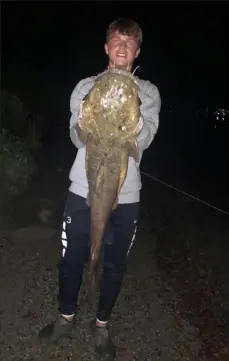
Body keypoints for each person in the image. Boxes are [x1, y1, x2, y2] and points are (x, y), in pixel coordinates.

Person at [39, 18, 161, 360]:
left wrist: (134, 122)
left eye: (130, 42)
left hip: (126, 195)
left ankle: (101, 325)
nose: (122, 46)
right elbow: (76, 136)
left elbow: (144, 140)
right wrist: (83, 117)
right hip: (83, 190)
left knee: (115, 265)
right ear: (106, 48)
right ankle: (66, 316)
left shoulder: (148, 92)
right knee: (71, 259)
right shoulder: (85, 86)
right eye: (116, 40)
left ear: (137, 51)